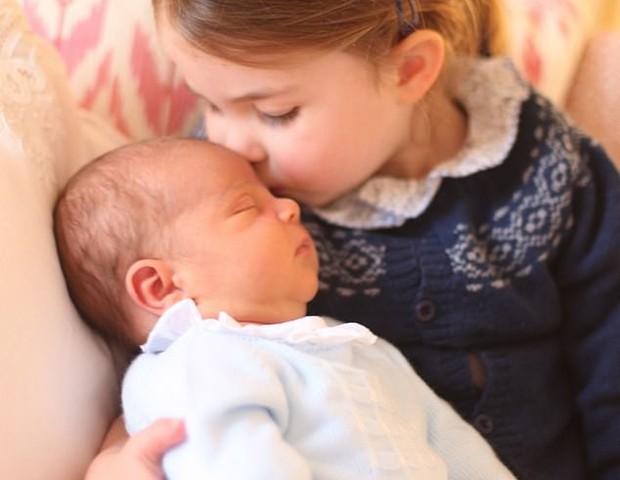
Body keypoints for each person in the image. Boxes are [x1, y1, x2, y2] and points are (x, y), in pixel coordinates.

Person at [88, 0, 620, 478]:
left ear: (409, 70)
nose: (230, 143)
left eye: (276, 113)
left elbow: (609, 352)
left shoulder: (549, 168)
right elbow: (173, 354)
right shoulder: (227, 195)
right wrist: (118, 455)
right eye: (209, 103)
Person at [54, 137, 516, 480]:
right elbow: (239, 465)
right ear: (162, 285)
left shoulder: (353, 345)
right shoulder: (197, 363)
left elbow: (453, 446)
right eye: (246, 207)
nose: (289, 208)